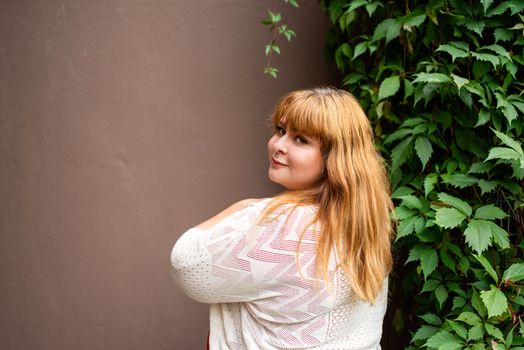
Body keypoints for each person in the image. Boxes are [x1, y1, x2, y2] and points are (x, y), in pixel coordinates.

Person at [170, 87, 394, 349]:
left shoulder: (281, 223)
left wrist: (239, 207)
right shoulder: (366, 222)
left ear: (334, 159)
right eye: (280, 130)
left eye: (300, 140)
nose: (279, 146)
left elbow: (185, 265)